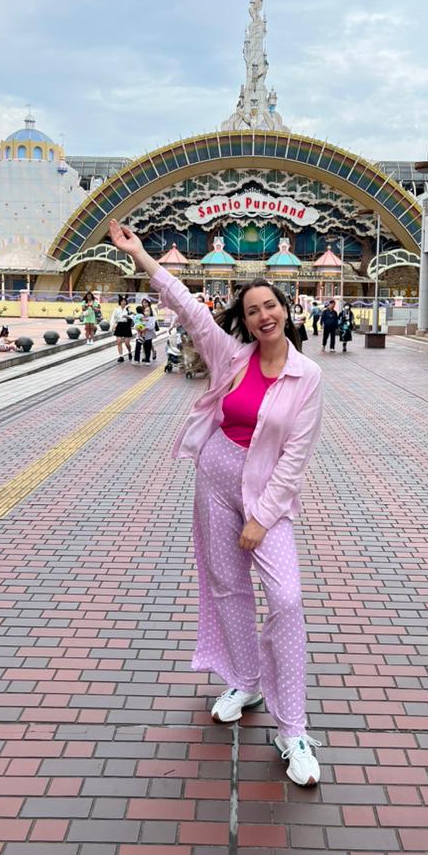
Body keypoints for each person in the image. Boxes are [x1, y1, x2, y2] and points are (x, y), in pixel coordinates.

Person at [109, 218, 324, 787]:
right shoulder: (230, 357)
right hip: (214, 479)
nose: (262, 316)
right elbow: (187, 308)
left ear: (286, 308)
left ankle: (293, 728)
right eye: (252, 310)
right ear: (245, 320)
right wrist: (144, 259)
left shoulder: (308, 376)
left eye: (270, 305)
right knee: (227, 588)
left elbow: (295, 457)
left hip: (266, 498)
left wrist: (260, 517)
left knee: (286, 599)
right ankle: (247, 679)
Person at [113, 297, 133, 362]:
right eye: (122, 301)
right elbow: (113, 318)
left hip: (126, 325)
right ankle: (121, 356)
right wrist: (113, 325)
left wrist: (127, 316)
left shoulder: (128, 308)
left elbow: (132, 316)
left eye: (125, 301)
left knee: (127, 343)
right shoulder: (116, 309)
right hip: (119, 325)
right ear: (120, 302)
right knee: (119, 341)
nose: (123, 302)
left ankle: (129, 352)